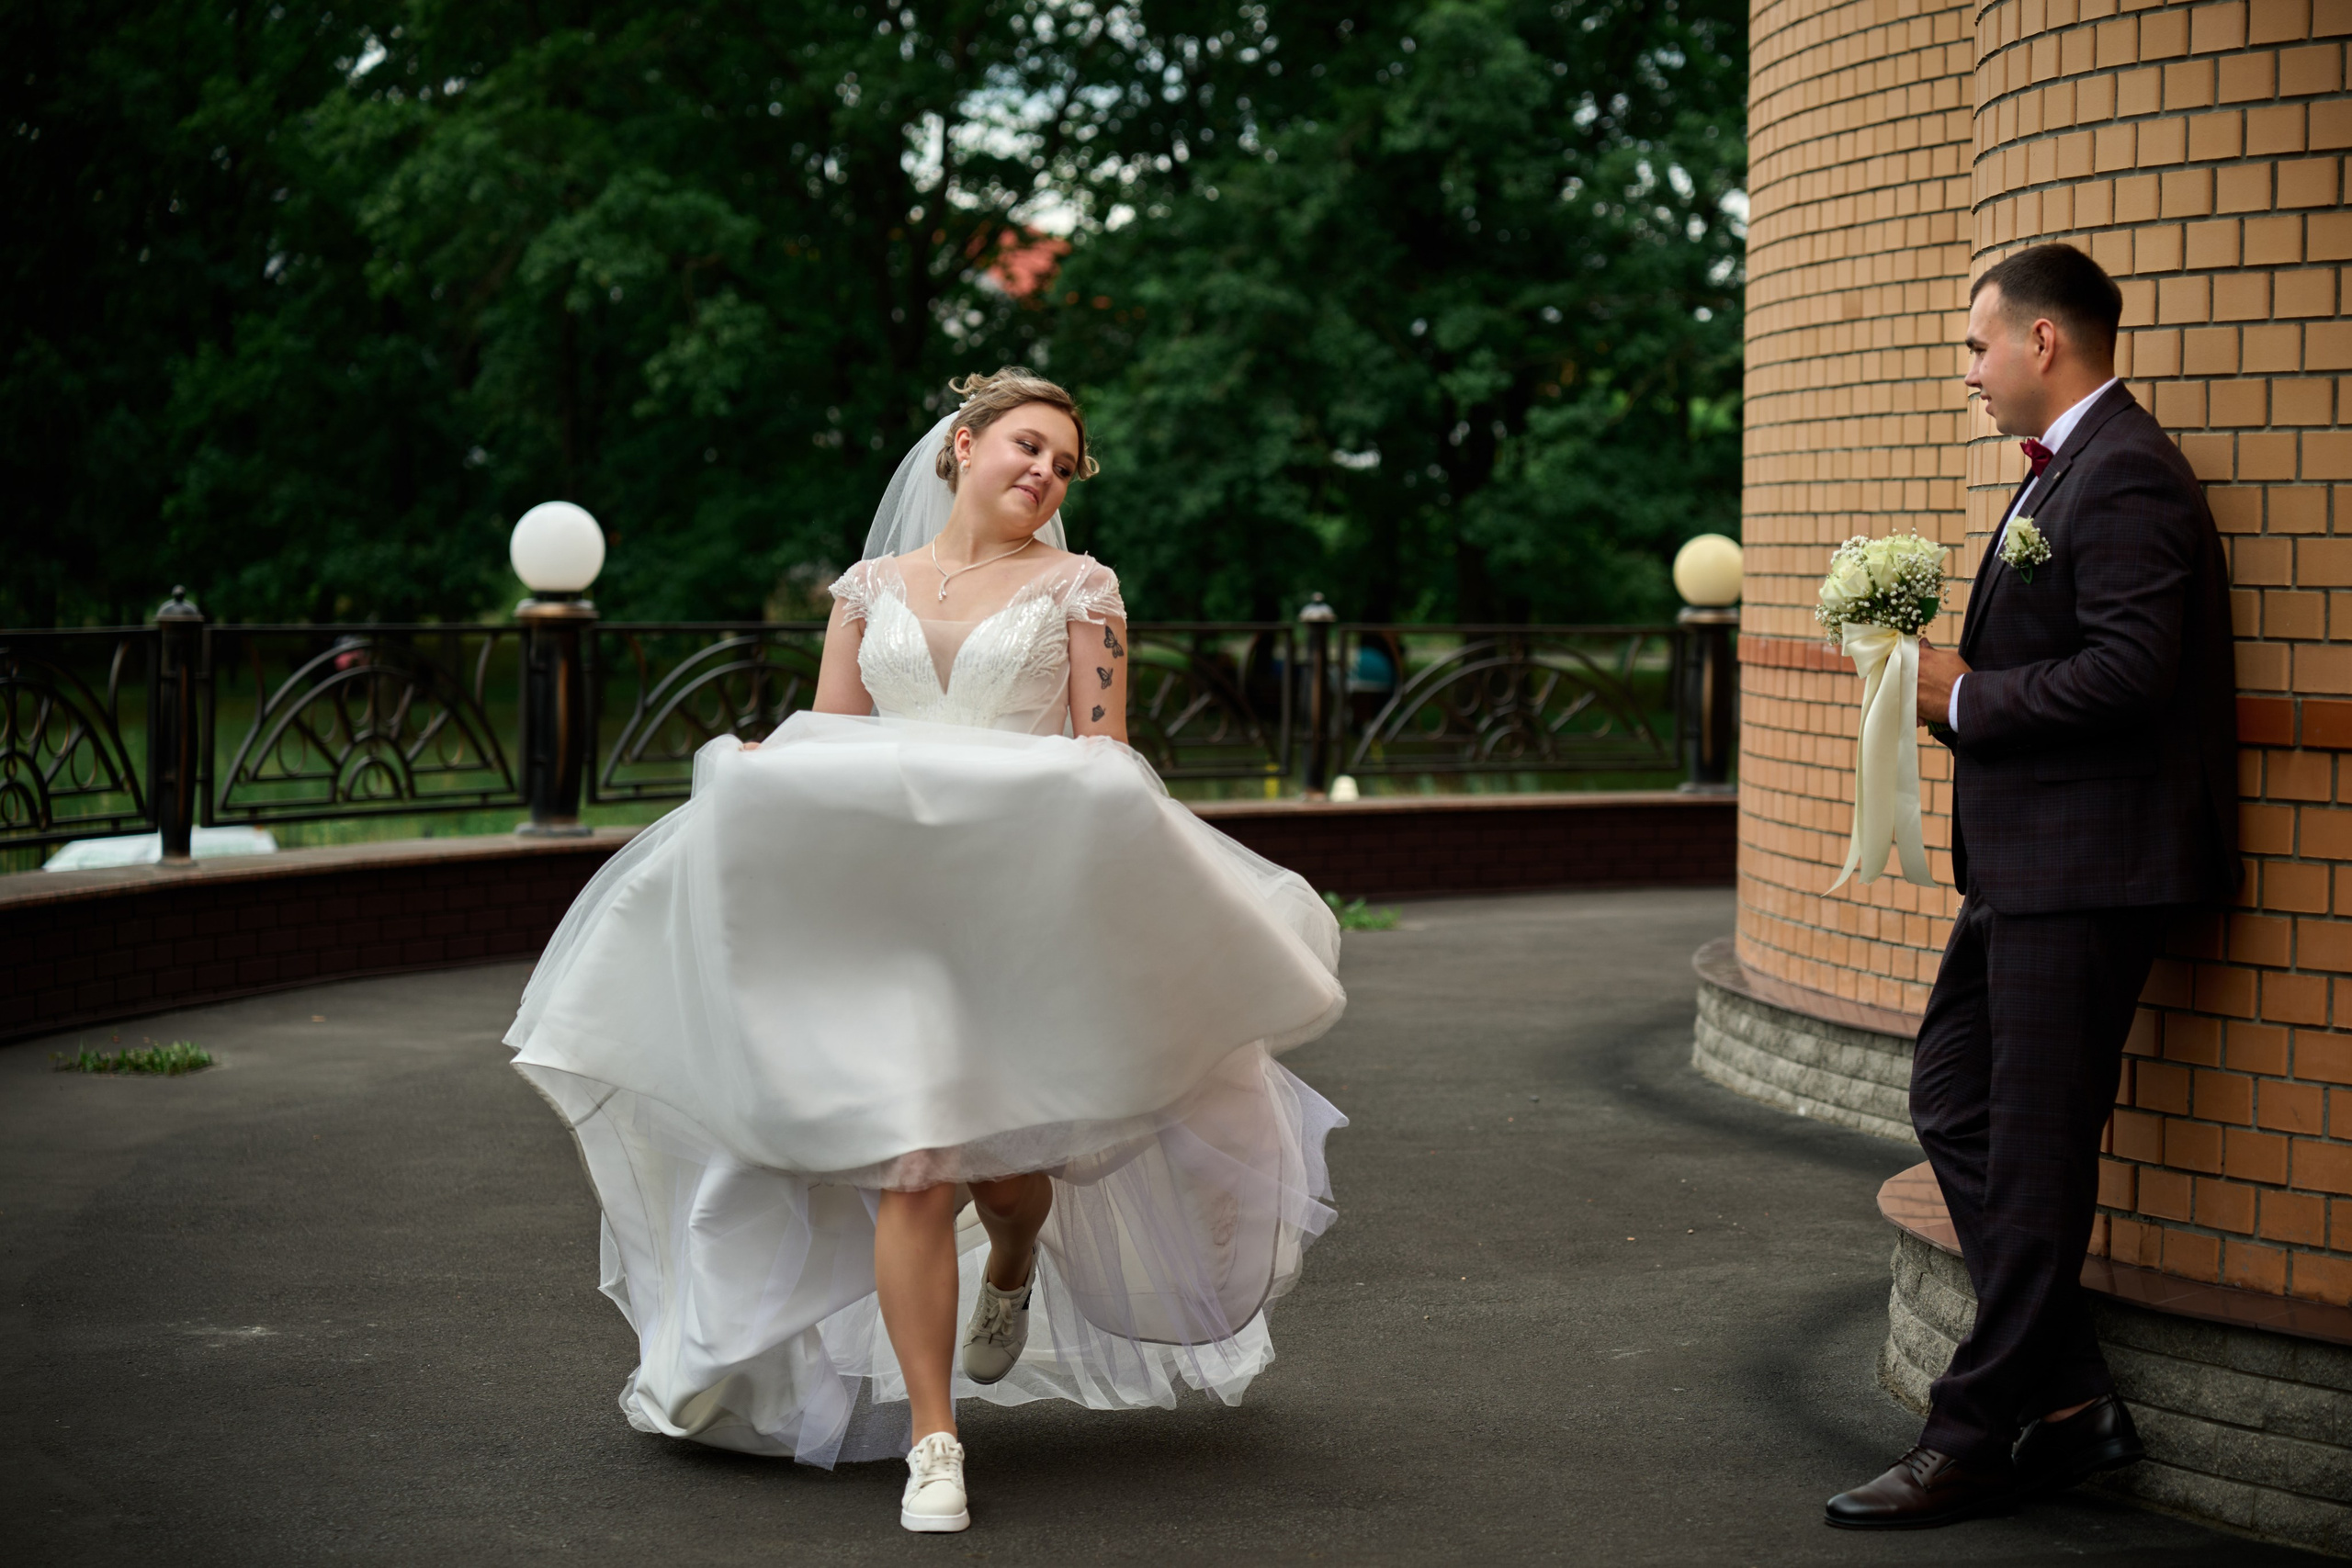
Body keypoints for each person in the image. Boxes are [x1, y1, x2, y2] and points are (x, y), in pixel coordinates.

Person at [506, 367, 1349, 1534]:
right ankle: (933, 1440)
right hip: (888, 921)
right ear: (963, 446)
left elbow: (1107, 757)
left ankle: (1014, 1250)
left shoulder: (1082, 588)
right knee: (913, 1165)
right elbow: (832, 738)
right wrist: (759, 767)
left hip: (1014, 918)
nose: (1046, 470)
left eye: (1065, 458)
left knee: (1003, 1178)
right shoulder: (868, 587)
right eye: (1026, 445)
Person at [1824, 244, 2238, 1529]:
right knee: (1952, 1099)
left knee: (2040, 1153)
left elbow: (2130, 674)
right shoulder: (2076, 470)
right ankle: (2068, 1399)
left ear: (2043, 341)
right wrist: (1944, 681)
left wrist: (1965, 693)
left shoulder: (2126, 477)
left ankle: (1974, 1433)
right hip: (2029, 870)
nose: (1967, 372)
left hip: (2090, 872)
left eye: (1974, 346)